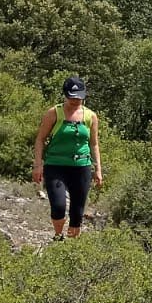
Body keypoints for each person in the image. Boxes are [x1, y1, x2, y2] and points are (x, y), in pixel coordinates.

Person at [32, 76, 103, 240]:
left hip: (81, 166)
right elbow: (40, 139)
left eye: (79, 97)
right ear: (65, 95)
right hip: (56, 165)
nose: (76, 100)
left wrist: (98, 168)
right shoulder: (54, 113)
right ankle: (58, 236)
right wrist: (38, 165)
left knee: (77, 212)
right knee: (58, 206)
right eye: (72, 97)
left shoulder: (90, 116)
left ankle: (72, 246)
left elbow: (94, 144)